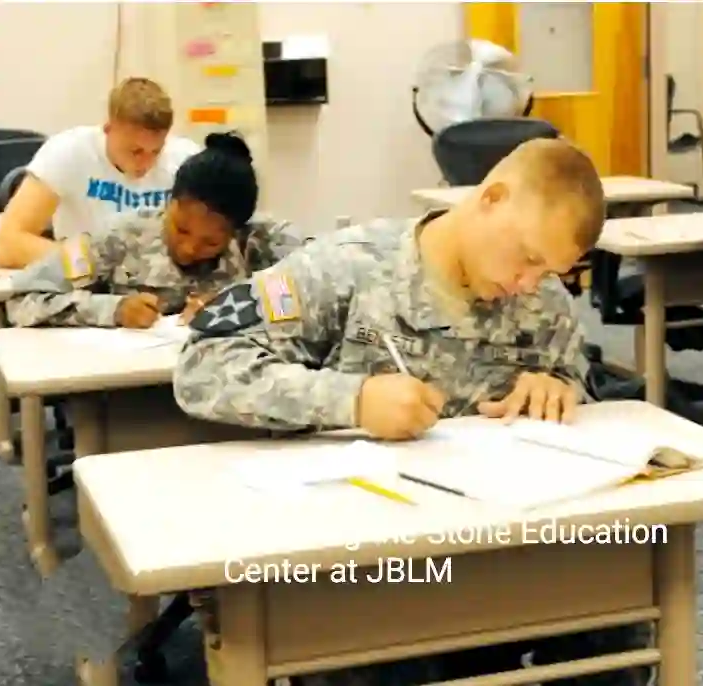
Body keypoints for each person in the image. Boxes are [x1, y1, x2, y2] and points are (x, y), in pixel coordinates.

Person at [173, 138, 651, 686]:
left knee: (621, 617)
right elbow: (203, 361)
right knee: (381, 655)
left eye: (551, 272)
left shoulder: (542, 303)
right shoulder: (347, 265)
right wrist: (350, 400)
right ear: (492, 198)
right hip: (370, 561)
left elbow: (575, 390)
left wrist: (559, 385)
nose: (528, 283)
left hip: (504, 556)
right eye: (528, 257)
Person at [6, 132, 308, 329]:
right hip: (121, 396)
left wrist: (240, 308)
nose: (190, 249)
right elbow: (25, 299)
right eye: (181, 229)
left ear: (234, 233)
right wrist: (114, 309)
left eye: (210, 242)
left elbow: (323, 295)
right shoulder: (118, 237)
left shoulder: (261, 243)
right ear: (169, 201)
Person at [0, 77, 202, 269]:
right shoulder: (69, 151)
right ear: (108, 129)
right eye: (135, 151)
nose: (146, 162)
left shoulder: (186, 159)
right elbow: (8, 244)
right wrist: (92, 264)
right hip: (86, 278)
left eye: (156, 151)